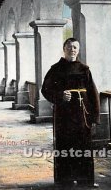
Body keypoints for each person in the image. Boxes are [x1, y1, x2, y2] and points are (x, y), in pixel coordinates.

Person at [41, 38, 100, 187]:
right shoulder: (55, 69)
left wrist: (95, 116)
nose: (72, 49)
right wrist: (60, 95)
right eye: (69, 47)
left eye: (75, 47)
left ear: (78, 50)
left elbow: (93, 93)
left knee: (84, 146)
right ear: (64, 49)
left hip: (82, 115)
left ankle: (85, 180)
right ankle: (64, 180)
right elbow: (45, 89)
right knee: (64, 145)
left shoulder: (85, 69)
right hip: (64, 115)